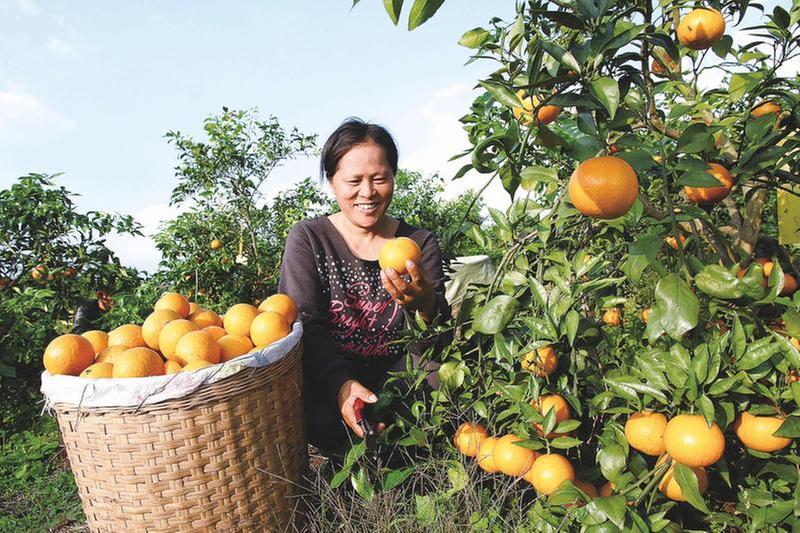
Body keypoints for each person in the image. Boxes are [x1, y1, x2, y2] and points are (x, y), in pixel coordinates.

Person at [278, 118, 450, 453]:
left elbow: (434, 345)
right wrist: (341, 385)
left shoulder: (418, 242)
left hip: (399, 373)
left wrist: (425, 305)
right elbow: (305, 325)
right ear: (332, 181)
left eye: (380, 179)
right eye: (354, 181)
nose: (367, 193)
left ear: (393, 178)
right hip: (331, 375)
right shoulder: (310, 239)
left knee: (441, 384)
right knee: (315, 416)